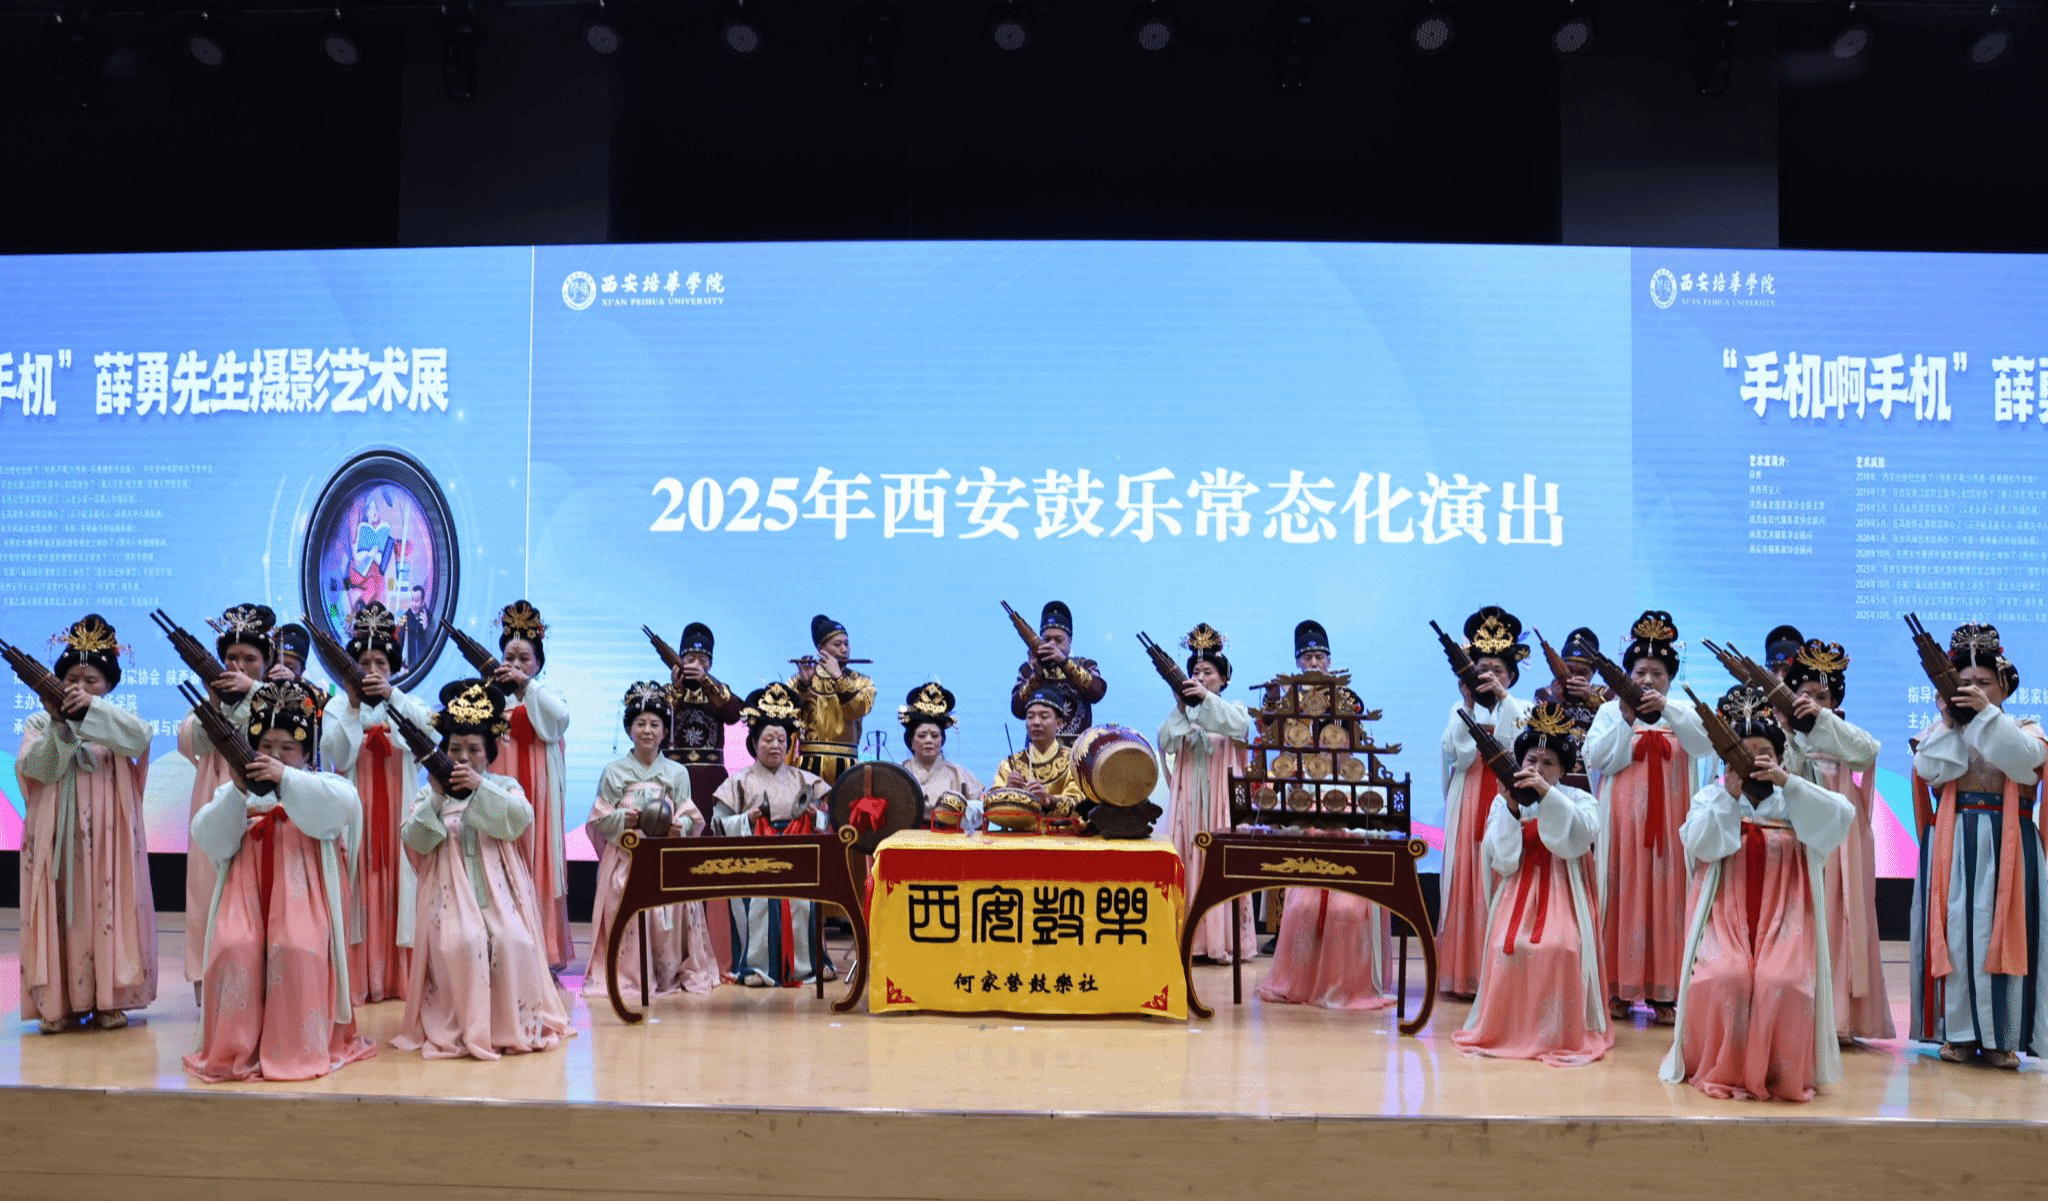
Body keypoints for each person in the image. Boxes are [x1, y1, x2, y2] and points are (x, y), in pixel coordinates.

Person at [1661, 686, 1853, 1102]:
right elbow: (1700, 846)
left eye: (1764, 753)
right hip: (1724, 914)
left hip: (1785, 914)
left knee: (1782, 982)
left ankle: (1775, 1072)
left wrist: (1788, 782)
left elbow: (1840, 819)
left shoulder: (1794, 797)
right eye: (1744, 754)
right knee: (1724, 979)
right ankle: (1723, 1067)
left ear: (1780, 758)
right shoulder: (1712, 797)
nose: (1753, 763)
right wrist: (1729, 797)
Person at [183, 682, 374, 1082]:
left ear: (305, 753)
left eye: (288, 747)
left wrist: (285, 778)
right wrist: (237, 792)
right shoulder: (231, 789)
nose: (275, 755)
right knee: (234, 948)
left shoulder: (326, 784)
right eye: (266, 746)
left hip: (303, 893)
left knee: (295, 949)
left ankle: (294, 1047)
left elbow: (345, 808)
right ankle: (237, 1048)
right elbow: (209, 838)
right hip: (246, 892)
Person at [391, 680, 573, 1060]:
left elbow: (518, 820)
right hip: (448, 897)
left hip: (502, 894)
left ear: (488, 753)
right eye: (455, 749)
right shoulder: (430, 793)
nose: (463, 758)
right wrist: (437, 796)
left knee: (512, 941)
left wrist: (480, 788)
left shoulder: (504, 785)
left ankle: (507, 1025)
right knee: (463, 943)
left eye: (473, 749)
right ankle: (464, 1025)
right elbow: (415, 840)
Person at [1909, 622, 2048, 1069]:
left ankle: (2003, 1036)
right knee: (1956, 935)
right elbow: (1933, 772)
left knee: (2002, 934)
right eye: (1963, 683)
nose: (1973, 690)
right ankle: (1959, 1033)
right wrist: (1953, 725)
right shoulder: (1940, 731)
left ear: (2004, 687)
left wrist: (1984, 716)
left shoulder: (2025, 728)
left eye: (1983, 683)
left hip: (2011, 844)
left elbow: (2023, 763)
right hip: (1954, 840)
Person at [17, 615, 156, 1034]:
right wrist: (61, 724)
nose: (79, 687)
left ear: (108, 684)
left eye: (91, 680)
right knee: (59, 910)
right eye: (71, 679)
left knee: (109, 907)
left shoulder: (117, 719)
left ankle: (109, 999)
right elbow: (38, 769)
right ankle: (57, 1003)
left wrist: (91, 711)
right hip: (56, 838)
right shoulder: (40, 723)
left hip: (108, 840)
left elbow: (140, 738)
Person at [1453, 704, 1609, 1066]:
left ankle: (1557, 1032)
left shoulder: (1581, 799)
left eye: (1548, 763)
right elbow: (1502, 860)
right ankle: (1510, 1029)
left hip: (1563, 890)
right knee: (1506, 947)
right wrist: (1510, 810)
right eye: (1531, 761)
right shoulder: (1503, 802)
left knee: (1561, 947)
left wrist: (1547, 797)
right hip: (1518, 890)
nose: (1537, 769)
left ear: (1563, 769)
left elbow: (1576, 841)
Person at [1583, 610, 1710, 1025]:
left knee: (1670, 899)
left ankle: (1665, 992)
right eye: (1640, 672)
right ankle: (1617, 987)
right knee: (1621, 893)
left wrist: (1668, 710)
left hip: (1672, 827)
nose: (1648, 680)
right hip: (1623, 828)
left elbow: (1704, 747)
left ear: (1671, 677)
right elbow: (1598, 760)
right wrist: (1626, 718)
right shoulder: (1611, 711)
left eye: (1658, 673)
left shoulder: (1684, 710)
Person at [320, 601, 435, 1003]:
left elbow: (428, 740)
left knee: (401, 881)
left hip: (399, 807)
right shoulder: (337, 707)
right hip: (357, 813)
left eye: (380, 664)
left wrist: (392, 698)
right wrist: (354, 708)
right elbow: (337, 754)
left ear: (393, 668)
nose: (371, 671)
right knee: (357, 878)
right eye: (364, 663)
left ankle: (400, 979)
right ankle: (358, 979)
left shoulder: (409, 704)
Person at [1780, 638, 1891, 1043]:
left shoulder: (1842, 732)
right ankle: (1795, 1009)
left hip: (1843, 840)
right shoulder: (1784, 732)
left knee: (1840, 915)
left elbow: (1867, 752)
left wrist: (1821, 720)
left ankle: (1839, 1016)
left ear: (1835, 700)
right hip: (1798, 832)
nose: (1811, 702)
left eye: (1821, 696)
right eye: (1804, 694)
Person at [584, 683, 719, 1001]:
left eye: (655, 724)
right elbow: (599, 818)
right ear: (629, 729)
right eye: (640, 723)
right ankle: (630, 974)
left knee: (670, 908)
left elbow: (691, 815)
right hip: (627, 858)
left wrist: (678, 827)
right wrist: (624, 819)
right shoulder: (614, 772)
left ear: (665, 732)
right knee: (626, 903)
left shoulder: (676, 772)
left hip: (665, 858)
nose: (647, 730)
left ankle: (667, 972)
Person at [177, 603, 276, 997]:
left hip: (260, 799)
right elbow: (191, 743)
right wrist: (214, 704)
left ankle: (263, 983)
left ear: (265, 663)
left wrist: (252, 692)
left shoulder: (275, 699)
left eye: (250, 658)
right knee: (207, 886)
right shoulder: (205, 704)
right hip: (213, 796)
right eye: (231, 657)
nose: (239, 665)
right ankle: (211, 984)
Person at [1437, 605, 1532, 999]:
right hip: (1470, 795)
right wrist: (1469, 706)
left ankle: (1503, 972)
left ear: (1511, 675)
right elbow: (1457, 756)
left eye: (1498, 670)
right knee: (1466, 876)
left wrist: (1504, 700)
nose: (1490, 676)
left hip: (1505, 798)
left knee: (1502, 875)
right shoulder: (1459, 709)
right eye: (1482, 669)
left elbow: (1516, 748)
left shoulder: (1523, 708)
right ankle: (1464, 973)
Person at [712, 683, 834, 986]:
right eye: (768, 739)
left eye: (782, 740)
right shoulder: (738, 782)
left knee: (802, 903)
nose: (776, 746)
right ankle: (754, 967)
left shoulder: (806, 780)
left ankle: (806, 966)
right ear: (754, 742)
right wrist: (747, 820)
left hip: (797, 862)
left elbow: (829, 821)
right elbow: (719, 825)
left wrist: (814, 817)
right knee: (760, 905)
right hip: (752, 862)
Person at [485, 600, 574, 974]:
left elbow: (559, 721)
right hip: (501, 787)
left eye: (525, 658)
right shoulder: (488, 697)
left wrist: (525, 687)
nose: (516, 664)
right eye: (510, 657)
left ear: (538, 663)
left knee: (537, 858)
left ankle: (542, 952)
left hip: (538, 793)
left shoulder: (547, 693)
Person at [1160, 623, 1254, 963]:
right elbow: (1166, 742)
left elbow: (1240, 728)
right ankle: (1189, 939)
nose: (1200, 677)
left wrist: (1205, 700)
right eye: (1195, 672)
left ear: (1223, 679)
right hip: (1189, 804)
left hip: (1220, 803)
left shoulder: (1234, 709)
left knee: (1218, 863)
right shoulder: (1182, 716)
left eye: (1208, 672)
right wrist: (1182, 708)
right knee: (1187, 858)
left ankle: (1222, 941)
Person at [665, 621, 746, 821]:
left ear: (710, 665)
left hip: (711, 777)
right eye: (690, 659)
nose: (696, 665)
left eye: (702, 660)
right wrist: (676, 690)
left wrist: (706, 682)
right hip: (674, 775)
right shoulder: (667, 691)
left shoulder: (718, 690)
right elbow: (662, 725)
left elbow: (734, 715)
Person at [1009, 600, 1108, 747]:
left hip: (1077, 753)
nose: (1052, 644)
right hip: (1038, 753)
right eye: (1047, 639)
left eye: (1058, 640)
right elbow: (1017, 710)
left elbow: (1096, 692)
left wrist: (1063, 661)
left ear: (1069, 641)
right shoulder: (1028, 668)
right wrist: (1037, 673)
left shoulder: (1086, 664)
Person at [790, 614, 874, 786]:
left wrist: (838, 678)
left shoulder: (861, 681)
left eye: (846, 644)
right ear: (821, 649)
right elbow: (790, 718)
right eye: (837, 644)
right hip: (809, 763)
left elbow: (857, 710)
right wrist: (804, 685)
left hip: (848, 763)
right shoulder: (799, 679)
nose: (844, 649)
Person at [993, 689, 1087, 826]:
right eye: (1030, 717)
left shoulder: (1075, 761)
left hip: (1063, 836)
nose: (1036, 722)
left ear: (1059, 724)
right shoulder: (1010, 764)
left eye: (1044, 716)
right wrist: (1008, 791)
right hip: (1022, 836)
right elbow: (991, 804)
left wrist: (1048, 800)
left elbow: (1081, 805)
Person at [899, 682, 984, 828]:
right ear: (911, 742)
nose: (929, 741)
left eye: (934, 736)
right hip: (908, 836)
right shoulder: (899, 772)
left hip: (949, 838)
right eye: (922, 736)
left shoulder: (958, 774)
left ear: (942, 740)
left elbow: (980, 809)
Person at [1532, 628, 1608, 790]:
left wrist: (1591, 698)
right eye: (1569, 670)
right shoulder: (1544, 694)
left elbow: (1616, 726)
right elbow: (1535, 736)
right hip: (1553, 776)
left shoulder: (1607, 695)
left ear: (1593, 673)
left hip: (1595, 776)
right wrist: (1555, 702)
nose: (1573, 677)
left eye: (1582, 673)